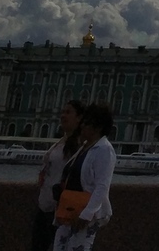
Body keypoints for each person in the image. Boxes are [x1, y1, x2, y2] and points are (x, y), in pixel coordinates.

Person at [54, 103, 116, 251]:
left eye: (86, 123)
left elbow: (102, 185)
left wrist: (86, 214)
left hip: (84, 213)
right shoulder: (85, 146)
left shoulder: (104, 150)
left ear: (98, 127)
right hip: (69, 211)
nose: (82, 126)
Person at [33, 100, 85, 251]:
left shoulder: (79, 145)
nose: (63, 115)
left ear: (79, 118)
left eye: (68, 112)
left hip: (59, 211)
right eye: (62, 112)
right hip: (44, 205)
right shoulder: (61, 141)